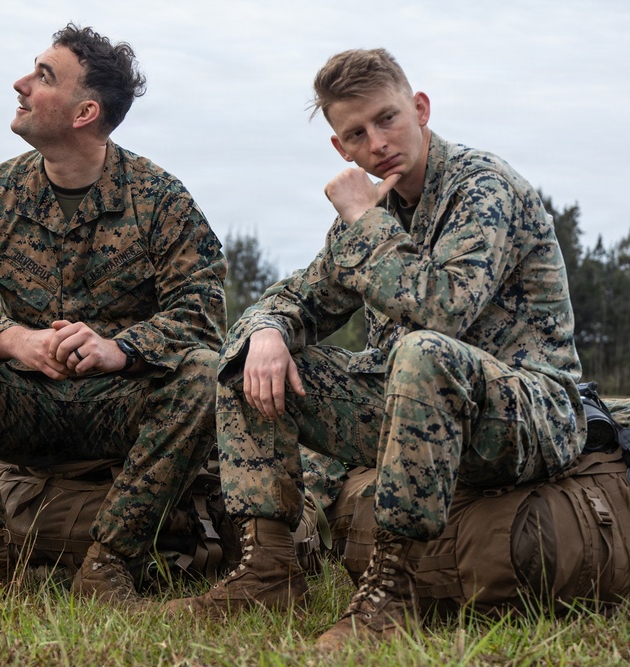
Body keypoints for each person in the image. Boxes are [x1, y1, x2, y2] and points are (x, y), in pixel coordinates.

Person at [164, 48, 586, 646]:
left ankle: (395, 592)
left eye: (388, 119)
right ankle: (268, 570)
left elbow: (445, 309)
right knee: (248, 360)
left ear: (420, 109)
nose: (378, 142)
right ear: (342, 149)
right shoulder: (373, 212)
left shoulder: (482, 187)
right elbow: (298, 298)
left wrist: (366, 223)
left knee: (421, 351)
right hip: (419, 404)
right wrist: (267, 331)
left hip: (528, 413)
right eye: (357, 133)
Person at [0, 24, 227, 606]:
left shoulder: (160, 200)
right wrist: (14, 340)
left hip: (118, 406)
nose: (20, 84)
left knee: (203, 374)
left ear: (84, 112)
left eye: (43, 76)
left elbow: (202, 313)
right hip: (23, 400)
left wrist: (118, 350)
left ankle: (110, 565)